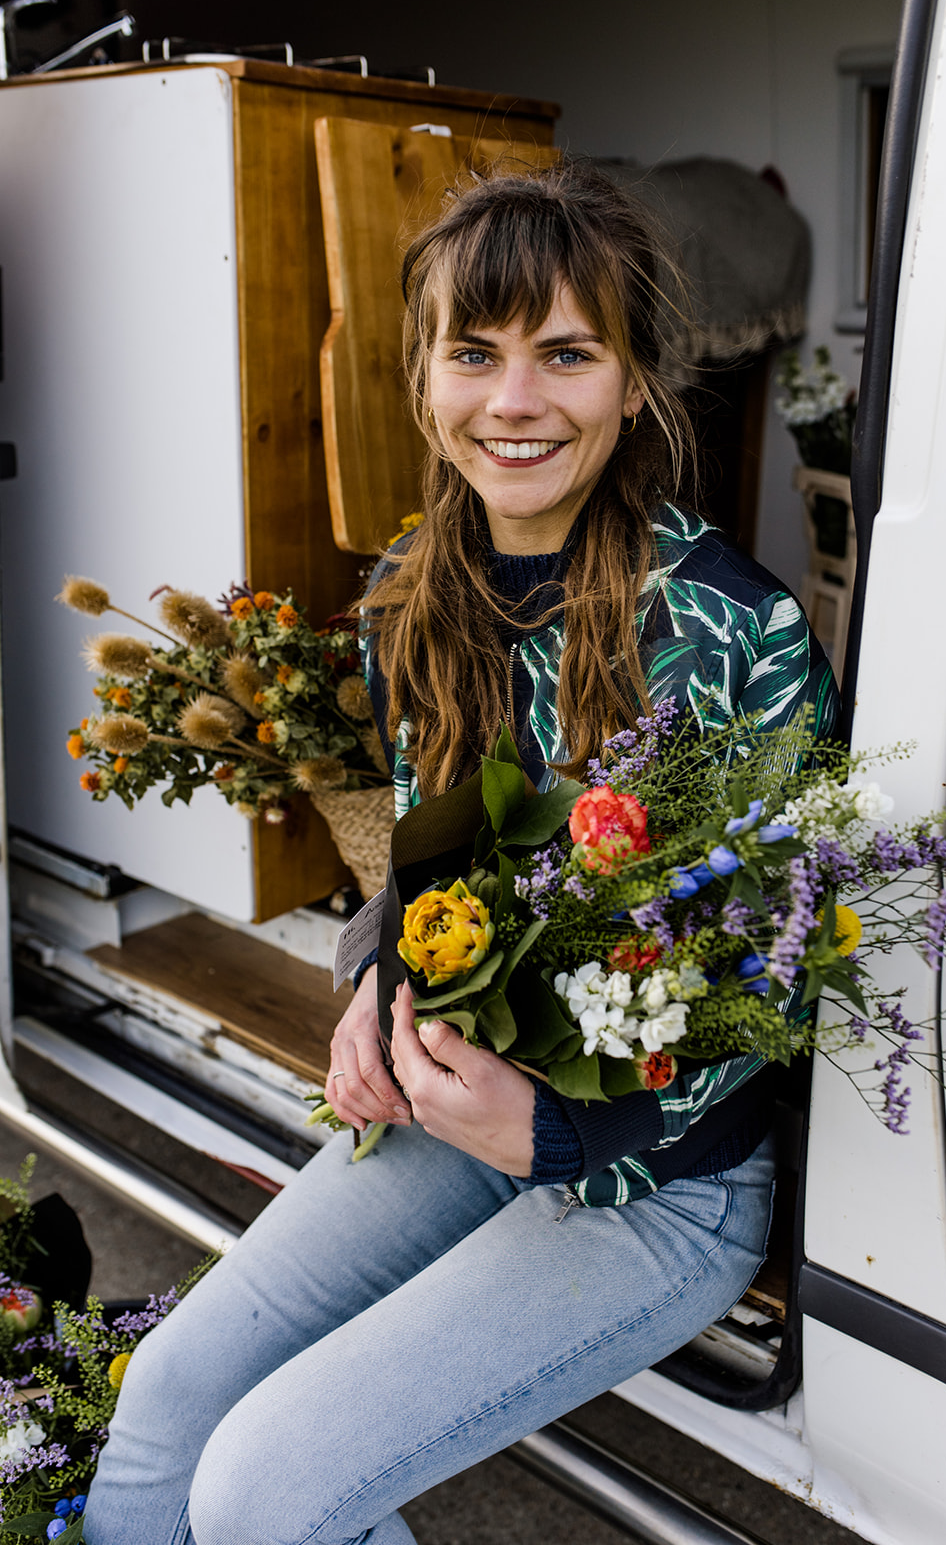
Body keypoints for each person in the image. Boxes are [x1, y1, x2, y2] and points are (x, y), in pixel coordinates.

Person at [84, 161, 838, 1545]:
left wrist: (560, 1129)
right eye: (475, 354)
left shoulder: (737, 632)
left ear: (632, 381)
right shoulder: (410, 598)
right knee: (165, 1407)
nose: (515, 403)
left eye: (566, 353)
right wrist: (375, 978)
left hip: (661, 1182)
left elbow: (783, 991)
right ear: (424, 381)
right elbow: (417, 852)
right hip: (457, 1108)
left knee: (264, 1494)